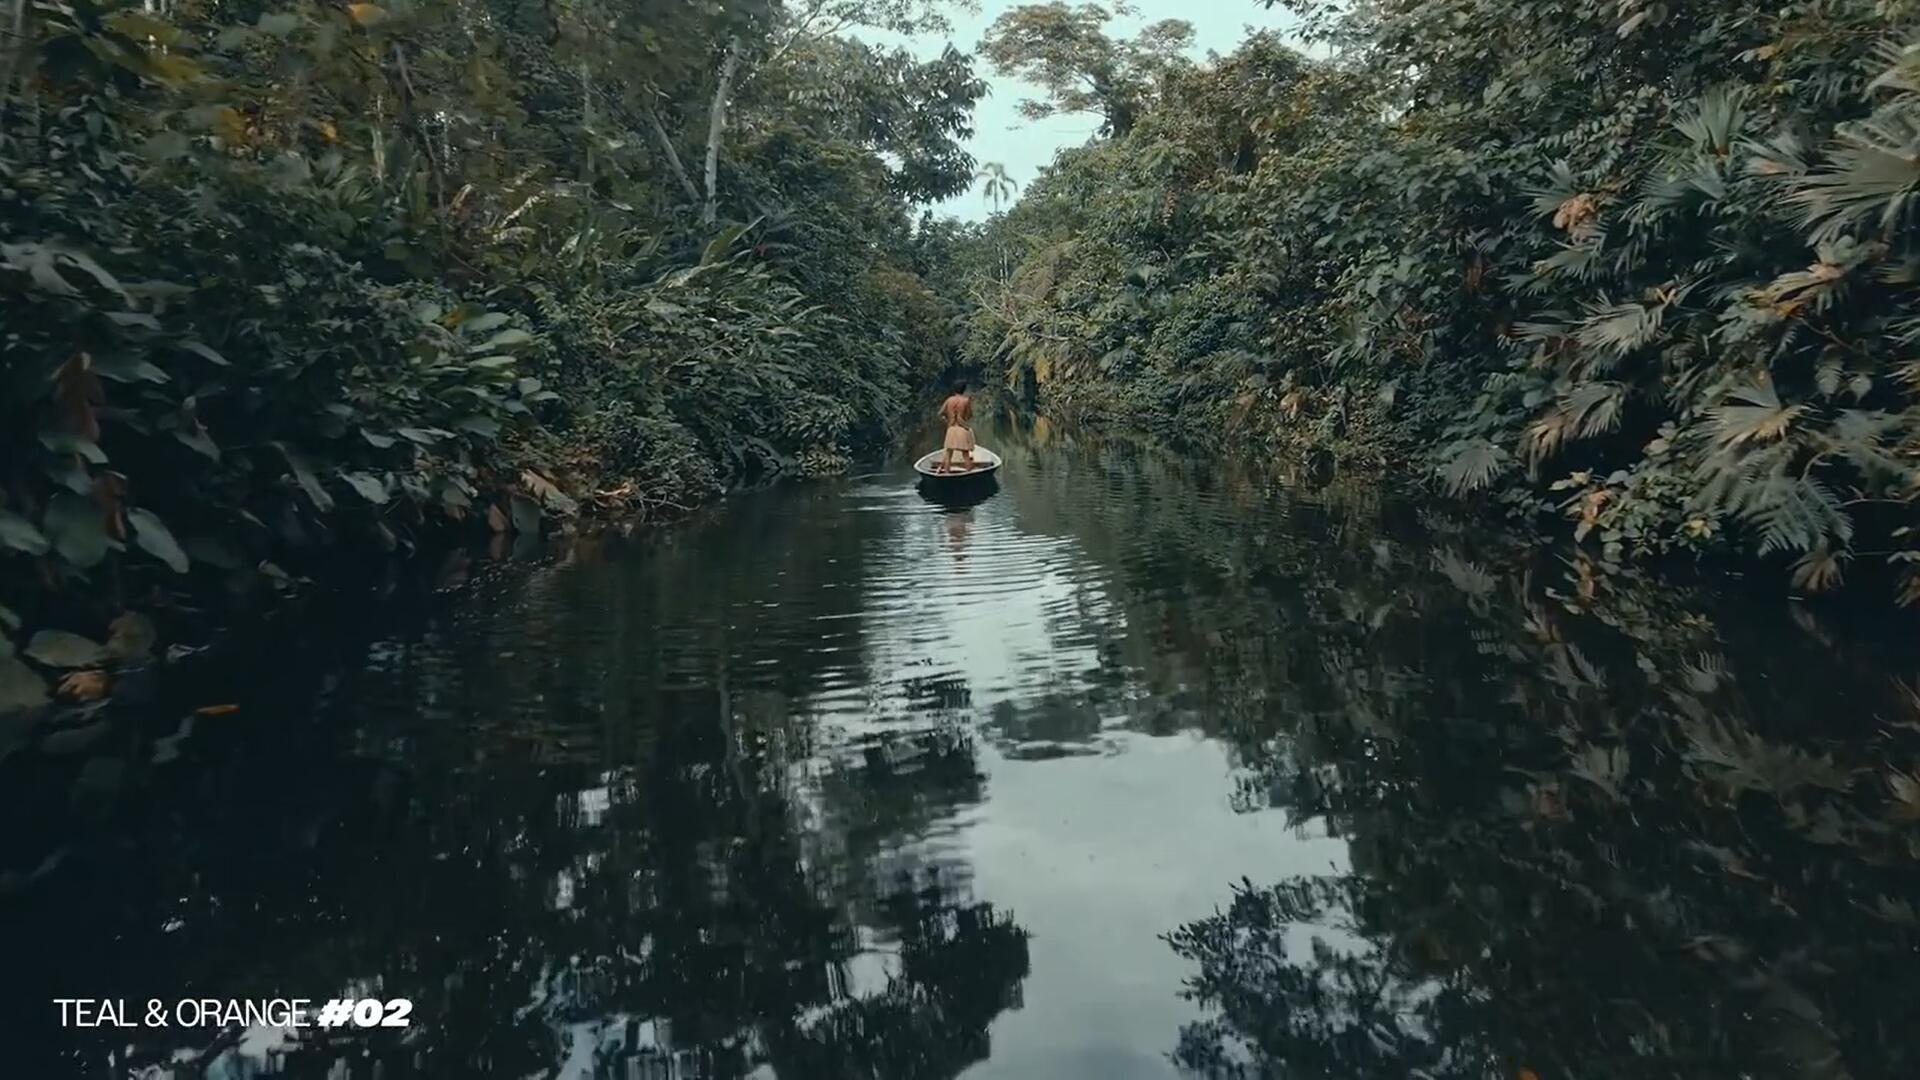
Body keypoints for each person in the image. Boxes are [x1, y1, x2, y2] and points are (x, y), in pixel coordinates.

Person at [936, 382, 975, 473]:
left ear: (954, 389)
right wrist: (963, 418)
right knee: (965, 454)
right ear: (964, 390)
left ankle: (947, 473)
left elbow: (940, 414)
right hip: (962, 428)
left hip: (951, 428)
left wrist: (947, 421)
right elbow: (970, 415)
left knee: (948, 453)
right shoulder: (966, 400)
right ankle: (968, 473)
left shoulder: (949, 400)